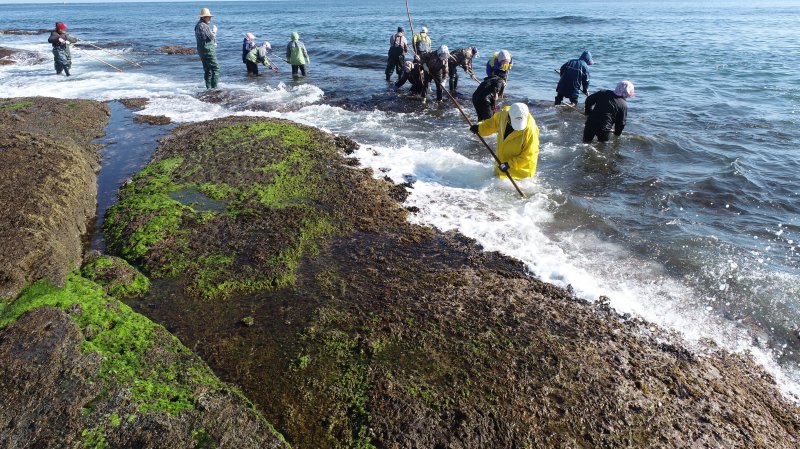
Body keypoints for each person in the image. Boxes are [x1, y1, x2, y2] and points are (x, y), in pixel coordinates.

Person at [469, 103, 540, 179]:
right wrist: (479, 128)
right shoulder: (503, 115)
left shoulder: (530, 130)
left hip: (520, 174)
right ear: (509, 116)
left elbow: (529, 155)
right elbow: (491, 124)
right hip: (501, 166)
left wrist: (509, 165)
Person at [194, 8, 219, 89]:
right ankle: (214, 88)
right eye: (208, 17)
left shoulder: (198, 25)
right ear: (204, 17)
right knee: (215, 68)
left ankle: (208, 88)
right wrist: (214, 30)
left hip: (201, 50)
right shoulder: (204, 25)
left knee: (207, 69)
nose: (210, 18)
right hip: (207, 50)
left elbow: (205, 37)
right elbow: (211, 37)